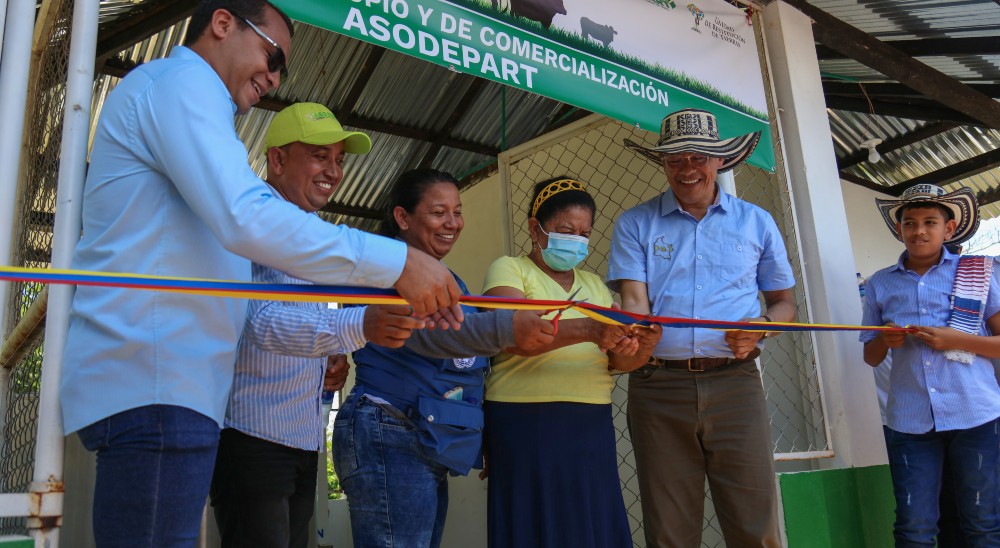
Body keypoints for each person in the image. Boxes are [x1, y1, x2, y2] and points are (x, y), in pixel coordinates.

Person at [61, 2, 462, 545]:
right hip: (162, 385)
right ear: (223, 23)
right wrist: (397, 264)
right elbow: (245, 225)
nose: (273, 78)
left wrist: (334, 349)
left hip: (180, 389)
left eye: (282, 71)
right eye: (272, 57)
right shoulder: (182, 84)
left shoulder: (201, 111)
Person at [209, 103, 428, 547]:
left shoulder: (310, 229)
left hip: (299, 435)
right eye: (319, 156)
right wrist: (358, 323)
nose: (333, 170)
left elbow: (297, 319)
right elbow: (259, 322)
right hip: (251, 432)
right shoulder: (255, 220)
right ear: (277, 159)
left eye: (339, 159)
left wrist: (328, 358)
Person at [332, 168, 559, 548]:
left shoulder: (450, 280)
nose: (452, 223)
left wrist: (479, 432)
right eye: (439, 212)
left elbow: (467, 367)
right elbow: (431, 336)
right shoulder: (385, 269)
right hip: (391, 429)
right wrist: (510, 328)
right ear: (403, 217)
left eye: (457, 211)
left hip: (427, 435)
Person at [609, 108, 797, 547]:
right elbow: (635, 302)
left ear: (719, 160)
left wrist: (762, 328)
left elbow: (784, 304)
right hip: (658, 387)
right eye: (675, 159)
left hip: (736, 385)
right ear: (663, 164)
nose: (687, 168)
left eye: (698, 157)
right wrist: (639, 332)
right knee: (669, 531)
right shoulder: (636, 223)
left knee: (755, 525)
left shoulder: (756, 222)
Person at [481, 177, 661, 548]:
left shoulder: (594, 285)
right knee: (535, 524)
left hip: (589, 422)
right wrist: (590, 330)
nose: (577, 241)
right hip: (525, 419)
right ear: (536, 228)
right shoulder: (510, 269)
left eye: (584, 234)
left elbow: (619, 361)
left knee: (589, 521)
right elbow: (510, 333)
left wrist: (643, 345)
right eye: (566, 231)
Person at [861, 183, 1000, 546]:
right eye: (909, 223)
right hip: (911, 421)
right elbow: (870, 356)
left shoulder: (978, 273)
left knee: (983, 524)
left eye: (930, 222)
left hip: (976, 414)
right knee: (914, 528)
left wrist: (956, 340)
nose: (919, 231)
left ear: (949, 229)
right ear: (899, 229)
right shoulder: (880, 284)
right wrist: (885, 339)